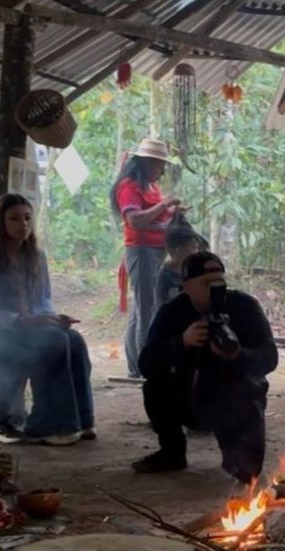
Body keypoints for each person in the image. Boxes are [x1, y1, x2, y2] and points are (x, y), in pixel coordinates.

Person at [133, 252, 278, 482]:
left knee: (247, 472)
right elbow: (146, 364)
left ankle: (239, 459)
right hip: (187, 398)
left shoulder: (244, 306)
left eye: (219, 283)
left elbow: (269, 357)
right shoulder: (172, 312)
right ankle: (171, 453)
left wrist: (238, 355)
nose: (214, 290)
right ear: (187, 286)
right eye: (206, 284)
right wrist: (181, 342)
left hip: (232, 400)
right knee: (154, 387)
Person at [0, 194, 94, 445]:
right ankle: (48, 425)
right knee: (53, 341)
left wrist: (53, 318)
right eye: (14, 219)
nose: (23, 224)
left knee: (73, 339)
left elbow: (43, 300)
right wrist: (22, 320)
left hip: (34, 326)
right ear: (1, 222)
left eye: (27, 218)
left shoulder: (36, 256)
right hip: (1, 329)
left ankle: (82, 420)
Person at [113, 139, 181, 379]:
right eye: (159, 165)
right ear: (146, 163)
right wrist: (163, 205)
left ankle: (137, 364)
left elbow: (155, 217)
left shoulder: (150, 187)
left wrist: (172, 212)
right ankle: (147, 364)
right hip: (142, 251)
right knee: (147, 307)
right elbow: (135, 220)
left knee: (141, 306)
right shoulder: (129, 187)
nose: (161, 171)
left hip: (156, 249)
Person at [155, 227, 205, 309]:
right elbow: (160, 304)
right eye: (193, 248)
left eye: (197, 248)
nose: (197, 252)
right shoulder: (164, 276)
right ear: (178, 250)